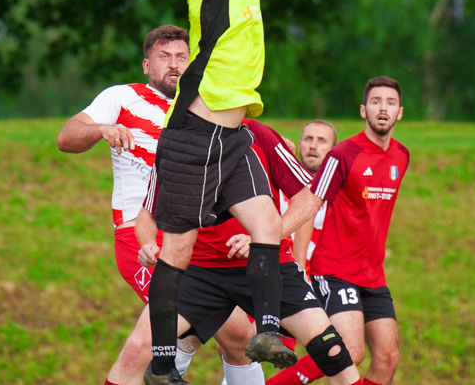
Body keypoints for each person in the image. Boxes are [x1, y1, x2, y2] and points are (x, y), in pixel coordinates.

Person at [146, 0, 325, 384]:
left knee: (267, 224)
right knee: (177, 250)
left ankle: (268, 326)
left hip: (233, 136)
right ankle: (159, 365)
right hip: (193, 137)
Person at [134, 119, 362, 385]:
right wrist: (148, 243)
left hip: (267, 264)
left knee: (331, 350)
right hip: (203, 271)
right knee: (142, 350)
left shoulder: (262, 135)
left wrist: (263, 236)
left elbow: (308, 199)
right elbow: (147, 213)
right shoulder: (181, 140)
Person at [55, 25, 191, 385]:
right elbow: (66, 137)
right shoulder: (122, 97)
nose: (173, 65)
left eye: (181, 57)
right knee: (171, 325)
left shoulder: (200, 109)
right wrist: (101, 129)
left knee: (236, 336)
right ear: (147, 65)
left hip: (189, 235)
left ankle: (164, 374)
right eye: (164, 57)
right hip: (138, 233)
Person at [268, 76, 410, 385]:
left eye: (390, 103)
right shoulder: (344, 154)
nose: (382, 109)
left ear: (400, 112)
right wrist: (280, 243)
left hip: (373, 274)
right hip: (336, 269)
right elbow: (309, 205)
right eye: (375, 102)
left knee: (388, 357)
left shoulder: (402, 155)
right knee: (349, 353)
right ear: (363, 111)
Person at [291, 120, 338, 273]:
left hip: (326, 278)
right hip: (284, 276)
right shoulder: (279, 186)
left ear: (334, 149)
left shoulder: (340, 192)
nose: (313, 146)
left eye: (322, 141)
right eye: (308, 139)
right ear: (299, 145)